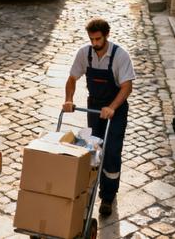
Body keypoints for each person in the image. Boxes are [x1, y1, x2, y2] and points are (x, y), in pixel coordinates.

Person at [63, 18, 135, 217]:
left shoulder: (120, 56)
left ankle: (108, 196)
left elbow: (127, 86)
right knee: (94, 148)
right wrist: (69, 99)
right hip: (95, 107)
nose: (95, 44)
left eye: (98, 39)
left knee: (111, 151)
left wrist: (112, 107)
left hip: (116, 109)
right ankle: (90, 186)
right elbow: (72, 79)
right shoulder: (84, 54)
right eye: (91, 39)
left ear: (107, 35)